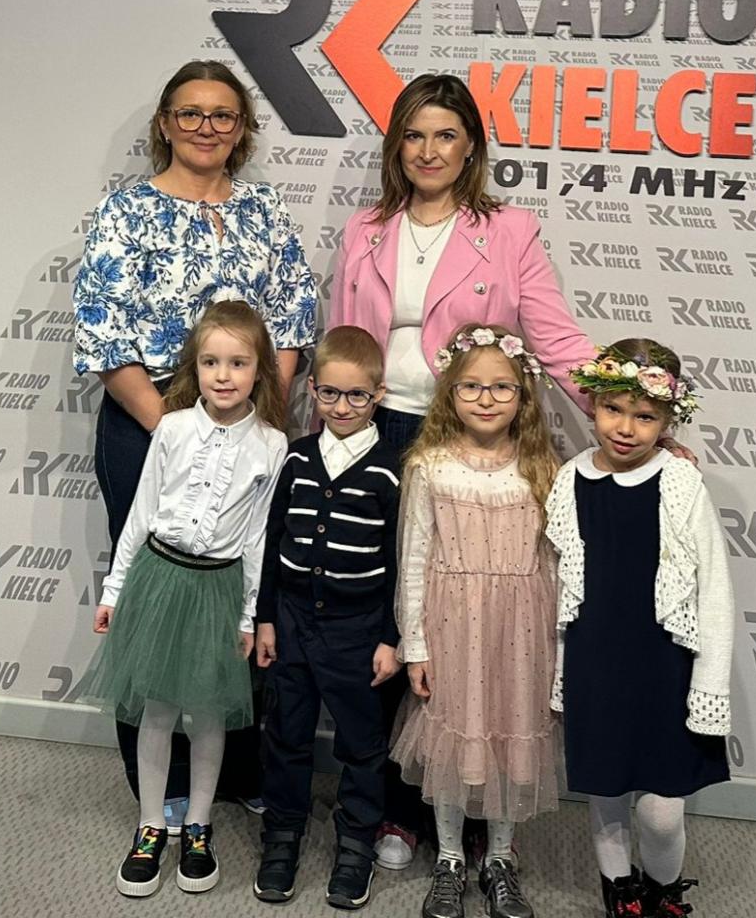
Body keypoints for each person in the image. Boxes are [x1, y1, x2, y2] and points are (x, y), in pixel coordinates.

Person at [327, 73, 594, 868]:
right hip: (375, 432)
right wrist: (321, 450)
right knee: (388, 617)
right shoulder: (365, 228)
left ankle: (474, 806)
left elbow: (556, 339)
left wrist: (630, 414)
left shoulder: (508, 231)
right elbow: (341, 344)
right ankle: (395, 808)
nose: (428, 150)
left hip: (463, 434)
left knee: (466, 624)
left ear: (471, 145)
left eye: (445, 134)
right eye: (413, 134)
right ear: (395, 146)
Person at [73, 59, 316, 816]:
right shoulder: (125, 210)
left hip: (249, 429)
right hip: (148, 422)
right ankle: (161, 785)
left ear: (241, 129)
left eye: (222, 115)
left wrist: (261, 420)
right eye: (190, 112)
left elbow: (294, 314)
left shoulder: (263, 209)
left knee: (236, 596)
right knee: (153, 598)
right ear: (164, 123)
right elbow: (104, 331)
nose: (206, 127)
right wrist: (173, 429)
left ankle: (234, 770)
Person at [82, 301, 289, 897]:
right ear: (192, 367)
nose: (223, 375)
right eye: (210, 362)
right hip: (158, 579)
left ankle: (198, 825)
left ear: (260, 369)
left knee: (208, 712)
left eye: (238, 363)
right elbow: (140, 513)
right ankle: (151, 824)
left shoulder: (272, 445)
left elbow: (258, 539)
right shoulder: (171, 428)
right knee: (158, 709)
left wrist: (249, 615)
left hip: (218, 588)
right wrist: (115, 590)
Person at [545, 338, 734, 918]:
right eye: (613, 410)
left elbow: (715, 591)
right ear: (593, 404)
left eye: (645, 416)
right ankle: (620, 895)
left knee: (660, 810)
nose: (625, 428)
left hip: (663, 668)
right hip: (594, 662)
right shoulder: (569, 480)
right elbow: (559, 588)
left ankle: (664, 894)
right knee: (605, 792)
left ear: (668, 420)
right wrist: (560, 674)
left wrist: (709, 684)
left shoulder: (680, 482)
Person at [391, 324, 561, 918]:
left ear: (523, 395)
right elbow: (414, 558)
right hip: (452, 627)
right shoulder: (431, 466)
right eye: (471, 386)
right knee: (454, 741)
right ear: (450, 392)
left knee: (512, 739)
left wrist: (557, 648)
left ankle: (501, 858)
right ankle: (449, 858)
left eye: (501, 387)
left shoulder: (542, 467)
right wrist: (415, 643)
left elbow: (555, 563)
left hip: (522, 630)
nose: (486, 399)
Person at [253, 326, 402, 911]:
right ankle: (282, 835)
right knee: (286, 732)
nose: (342, 407)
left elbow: (399, 563)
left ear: (379, 394)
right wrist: (266, 618)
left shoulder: (391, 469)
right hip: (292, 622)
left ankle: (356, 843)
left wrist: (390, 638)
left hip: (357, 629)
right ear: (312, 390)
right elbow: (272, 542)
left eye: (357, 395)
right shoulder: (296, 458)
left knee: (362, 743)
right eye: (330, 394)